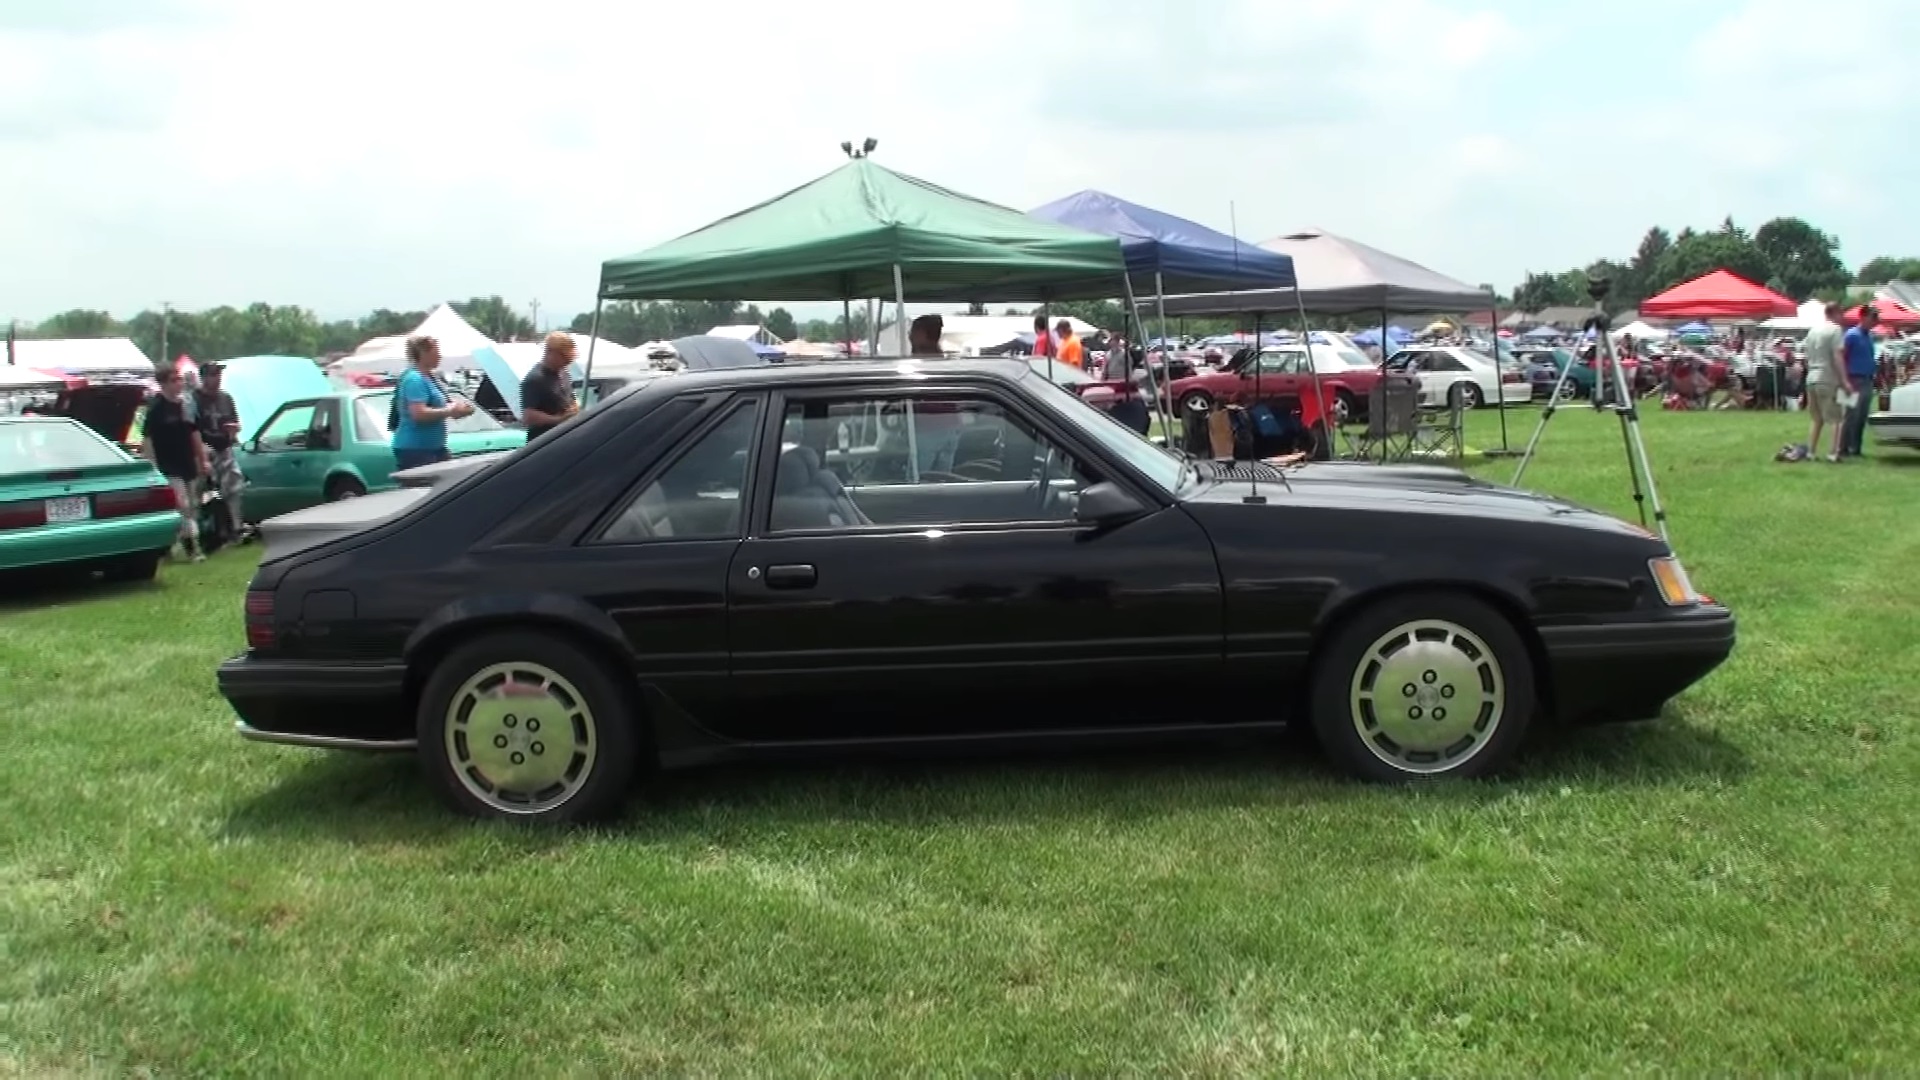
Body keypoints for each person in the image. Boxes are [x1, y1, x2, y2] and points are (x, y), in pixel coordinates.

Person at [141, 364, 209, 562]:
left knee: (192, 506)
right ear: (163, 383)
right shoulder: (156, 407)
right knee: (183, 505)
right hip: (168, 464)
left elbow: (194, 433)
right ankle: (193, 550)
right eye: (174, 380)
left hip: (187, 461)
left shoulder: (186, 405)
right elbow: (148, 438)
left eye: (179, 379)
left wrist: (202, 459)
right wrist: (151, 464)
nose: (179, 383)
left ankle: (172, 544)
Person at [391, 335, 472, 470]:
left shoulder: (430, 377)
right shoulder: (414, 379)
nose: (440, 356)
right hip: (416, 449)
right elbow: (419, 414)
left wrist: (462, 408)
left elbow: (446, 404)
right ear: (423, 353)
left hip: (435, 447)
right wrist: (450, 411)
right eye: (436, 352)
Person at [193, 361, 247, 539]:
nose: (217, 378)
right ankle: (200, 533)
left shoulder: (226, 398)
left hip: (225, 447)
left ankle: (237, 528)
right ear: (203, 378)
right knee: (200, 492)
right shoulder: (194, 399)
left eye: (218, 374)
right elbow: (192, 428)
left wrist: (234, 429)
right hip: (203, 449)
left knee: (233, 486)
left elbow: (234, 421)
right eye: (213, 375)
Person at [519, 332, 579, 443]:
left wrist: (575, 408)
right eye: (564, 358)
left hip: (563, 439)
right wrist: (558, 420)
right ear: (550, 352)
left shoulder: (564, 373)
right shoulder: (535, 379)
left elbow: (570, 397)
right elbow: (528, 417)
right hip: (542, 443)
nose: (566, 363)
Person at [1840, 305, 1878, 458]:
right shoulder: (1851, 335)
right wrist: (1844, 380)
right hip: (1853, 379)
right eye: (1872, 317)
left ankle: (1856, 448)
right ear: (1863, 317)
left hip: (1867, 380)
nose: (1875, 321)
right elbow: (1842, 357)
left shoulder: (1869, 336)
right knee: (1850, 416)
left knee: (1862, 416)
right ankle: (1843, 447)